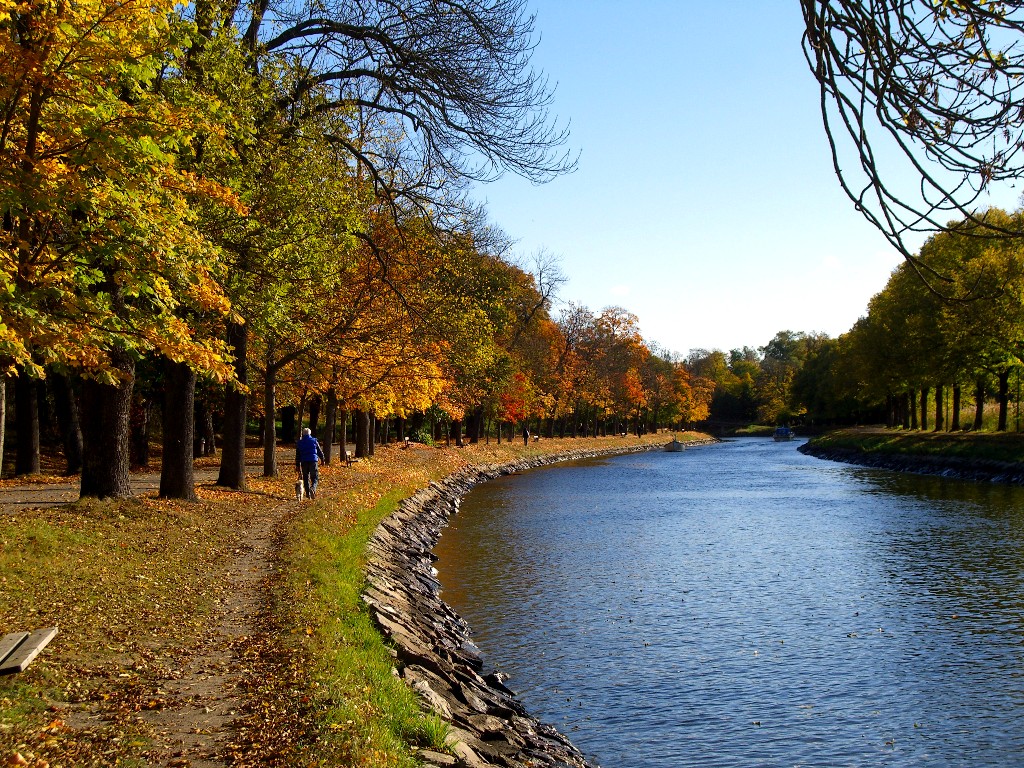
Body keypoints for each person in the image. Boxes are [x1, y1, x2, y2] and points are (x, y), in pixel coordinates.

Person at [295, 427, 326, 500]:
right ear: (310, 433)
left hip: (304, 461)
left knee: (305, 478)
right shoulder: (314, 441)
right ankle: (313, 488)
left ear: (303, 434)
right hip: (313, 461)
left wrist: (297, 465)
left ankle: (308, 494)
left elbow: (298, 455)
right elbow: (319, 451)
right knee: (315, 477)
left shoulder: (300, 442)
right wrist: (322, 459)